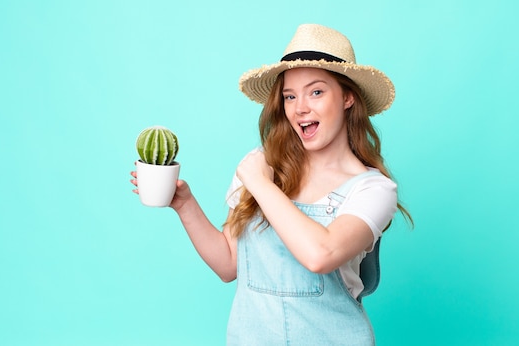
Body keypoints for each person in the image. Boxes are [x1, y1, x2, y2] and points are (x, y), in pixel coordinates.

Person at [131, 23, 411, 345]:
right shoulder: (261, 166)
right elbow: (228, 265)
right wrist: (184, 205)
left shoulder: (373, 190)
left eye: (316, 92)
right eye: (289, 96)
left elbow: (321, 254)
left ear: (348, 97)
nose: (300, 108)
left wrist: (262, 185)